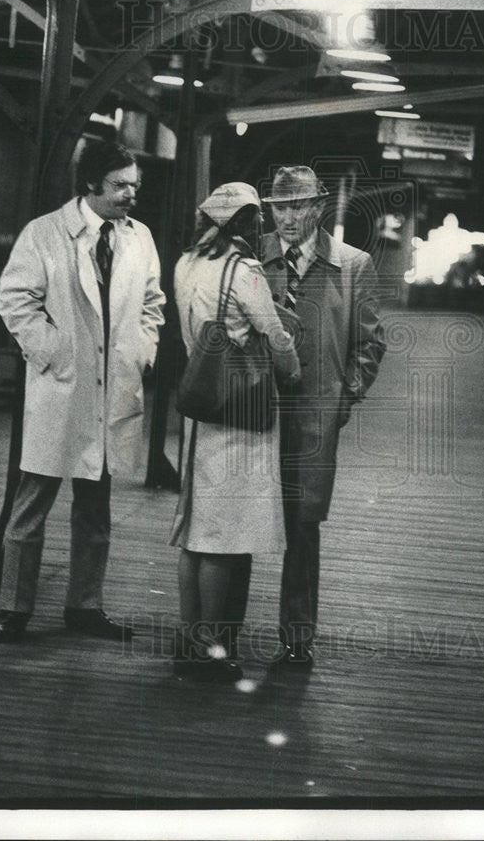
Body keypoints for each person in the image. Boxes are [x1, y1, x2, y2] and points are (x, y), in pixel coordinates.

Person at [0, 140, 165, 643]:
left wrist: (142, 350)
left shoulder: (140, 237)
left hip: (113, 389)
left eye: (135, 184)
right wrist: (54, 352)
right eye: (120, 185)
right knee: (31, 505)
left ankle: (85, 606)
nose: (131, 194)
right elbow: (16, 300)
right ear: (91, 184)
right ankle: (15, 607)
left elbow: (153, 301)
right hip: (61, 387)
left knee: (96, 508)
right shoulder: (45, 233)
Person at [170, 182, 301, 683]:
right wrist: (290, 367)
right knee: (224, 536)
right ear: (247, 223)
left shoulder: (186, 263)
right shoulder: (241, 270)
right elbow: (273, 332)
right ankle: (210, 650)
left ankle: (188, 640)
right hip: (239, 412)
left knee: (195, 535)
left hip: (198, 407)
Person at [261, 165, 386, 666]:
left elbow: (370, 342)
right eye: (279, 208)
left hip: (316, 415)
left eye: (297, 207)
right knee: (240, 515)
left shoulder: (353, 266)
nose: (287, 218)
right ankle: (219, 630)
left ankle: (297, 634)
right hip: (255, 411)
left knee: (303, 522)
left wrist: (344, 399)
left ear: (317, 207)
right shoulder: (255, 258)